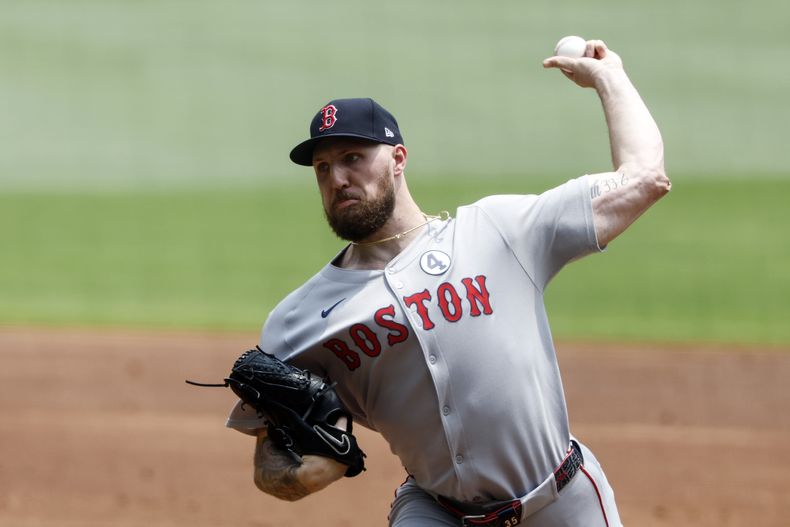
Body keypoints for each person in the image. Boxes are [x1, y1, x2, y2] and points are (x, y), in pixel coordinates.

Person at [226, 39, 669, 526]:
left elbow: (644, 178)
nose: (337, 179)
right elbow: (268, 459)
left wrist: (609, 77)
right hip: (436, 512)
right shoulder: (297, 321)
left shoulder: (498, 231)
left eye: (353, 157)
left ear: (398, 158)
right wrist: (301, 475)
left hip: (562, 502)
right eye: (323, 168)